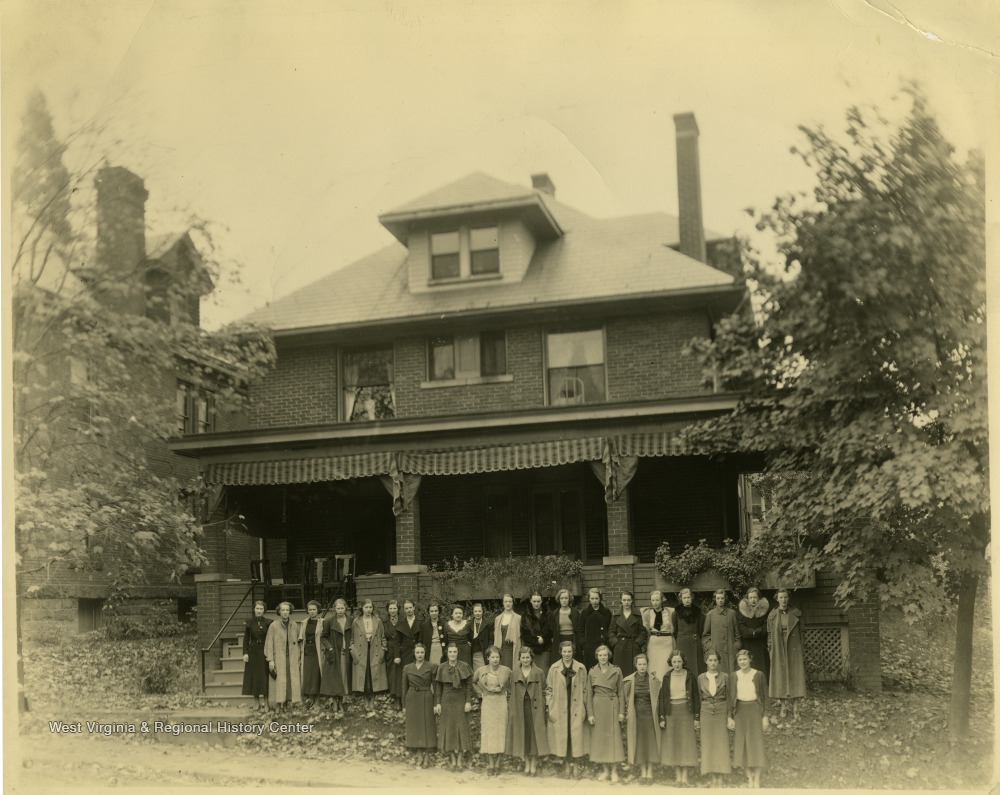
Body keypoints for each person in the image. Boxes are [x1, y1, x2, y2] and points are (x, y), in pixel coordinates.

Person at [545, 640, 590, 778]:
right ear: (560, 652)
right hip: (560, 707)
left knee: (574, 737)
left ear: (573, 652)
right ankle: (565, 765)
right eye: (564, 651)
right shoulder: (554, 668)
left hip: (575, 707)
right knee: (563, 736)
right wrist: (550, 706)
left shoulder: (581, 668)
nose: (567, 654)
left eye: (569, 651)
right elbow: (549, 689)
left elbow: (585, 690)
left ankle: (575, 766)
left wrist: (584, 707)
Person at [657, 649, 699, 786]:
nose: (676, 664)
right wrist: (662, 718)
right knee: (674, 743)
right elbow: (663, 698)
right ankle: (677, 778)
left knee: (686, 744)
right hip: (671, 712)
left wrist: (696, 717)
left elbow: (695, 697)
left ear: (683, 662)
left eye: (679, 661)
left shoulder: (690, 675)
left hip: (686, 711)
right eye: (674, 661)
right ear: (671, 662)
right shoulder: (667, 676)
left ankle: (685, 778)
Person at [728, 648, 768, 788]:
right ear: (737, 662)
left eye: (745, 659)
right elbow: (730, 698)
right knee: (743, 745)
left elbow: (765, 697)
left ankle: (757, 779)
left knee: (756, 745)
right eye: (740, 660)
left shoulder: (759, 675)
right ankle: (749, 778)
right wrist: (730, 717)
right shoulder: (733, 676)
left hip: (755, 711)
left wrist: (765, 716)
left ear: (750, 659)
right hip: (740, 711)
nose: (743, 662)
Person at [506, 646, 549, 776]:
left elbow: (544, 690)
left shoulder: (539, 672)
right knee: (523, 735)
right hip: (520, 709)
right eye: (523, 657)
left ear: (531, 658)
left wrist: (544, 705)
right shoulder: (514, 674)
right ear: (519, 659)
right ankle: (526, 764)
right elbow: (509, 692)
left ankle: (534, 765)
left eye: (527, 657)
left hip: (534, 708)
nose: (525, 660)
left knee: (533, 736)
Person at [586, 644, 626, 783]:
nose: (602, 658)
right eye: (600, 655)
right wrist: (590, 714)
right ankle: (605, 771)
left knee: (613, 740)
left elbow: (621, 692)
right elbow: (588, 695)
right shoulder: (592, 672)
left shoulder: (616, 670)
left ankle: (614, 772)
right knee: (601, 740)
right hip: (598, 707)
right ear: (597, 656)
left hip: (612, 706)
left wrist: (622, 712)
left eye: (605, 655)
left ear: (609, 656)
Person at [472, 645, 512, 776]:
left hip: (501, 702)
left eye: (497, 657)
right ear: (487, 658)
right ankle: (490, 763)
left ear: (500, 658)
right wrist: (481, 693)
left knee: (501, 732)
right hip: (488, 702)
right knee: (489, 732)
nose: (495, 659)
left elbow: (513, 684)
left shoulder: (506, 670)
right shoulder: (481, 670)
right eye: (492, 657)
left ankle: (498, 763)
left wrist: (508, 694)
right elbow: (472, 683)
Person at [434, 642, 474, 770]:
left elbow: (469, 686)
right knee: (449, 730)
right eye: (450, 652)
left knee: (461, 729)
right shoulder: (441, 667)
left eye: (454, 652)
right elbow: (438, 688)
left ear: (458, 653)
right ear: (447, 653)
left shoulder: (465, 666)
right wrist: (438, 703)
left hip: (460, 700)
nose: (452, 654)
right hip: (446, 700)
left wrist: (468, 701)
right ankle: (452, 760)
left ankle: (460, 760)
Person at [767, 588, 806, 719]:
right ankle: (783, 707)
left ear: (788, 599)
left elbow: (802, 633)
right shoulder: (772, 616)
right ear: (777, 599)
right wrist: (771, 649)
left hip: (794, 648)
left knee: (796, 676)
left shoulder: (796, 614)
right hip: (778, 648)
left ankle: (796, 708)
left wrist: (802, 648)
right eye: (781, 597)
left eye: (785, 597)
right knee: (780, 676)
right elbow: (769, 635)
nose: (783, 600)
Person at [623, 652, 661, 786]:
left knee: (650, 743)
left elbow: (658, 699)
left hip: (650, 716)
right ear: (636, 665)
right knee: (639, 744)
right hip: (636, 716)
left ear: (647, 665)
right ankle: (642, 772)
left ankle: (649, 773)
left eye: (644, 664)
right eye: (640, 664)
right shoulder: (629, 680)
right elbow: (625, 698)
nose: (642, 667)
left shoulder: (654, 680)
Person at [698, 650, 732, 787]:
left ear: (719, 662)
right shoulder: (701, 678)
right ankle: (712, 775)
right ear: (706, 661)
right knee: (708, 744)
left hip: (721, 710)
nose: (712, 663)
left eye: (715, 660)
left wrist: (729, 716)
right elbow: (699, 698)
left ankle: (721, 776)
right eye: (710, 660)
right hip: (706, 712)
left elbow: (730, 698)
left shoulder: (725, 677)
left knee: (721, 744)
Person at [401, 641, 437, 768]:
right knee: (415, 728)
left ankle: (427, 757)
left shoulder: (432, 666)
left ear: (425, 653)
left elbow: (436, 688)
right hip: (412, 699)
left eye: (422, 652)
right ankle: (419, 756)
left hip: (426, 697)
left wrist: (436, 703)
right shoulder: (407, 668)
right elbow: (404, 688)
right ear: (414, 653)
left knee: (427, 727)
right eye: (417, 652)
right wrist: (404, 706)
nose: (420, 655)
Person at [350, 598, 388, 716]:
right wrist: (353, 651)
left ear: (373, 608)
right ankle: (365, 703)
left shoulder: (377, 621)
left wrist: (383, 650)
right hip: (361, 653)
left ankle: (372, 703)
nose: (368, 609)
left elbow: (383, 638)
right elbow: (351, 639)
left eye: (370, 607)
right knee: (364, 678)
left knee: (373, 679)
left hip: (374, 652)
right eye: (366, 607)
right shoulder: (356, 621)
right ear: (362, 608)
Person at [264, 601, 302, 712]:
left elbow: (299, 643)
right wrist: (270, 659)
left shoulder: (294, 625)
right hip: (279, 658)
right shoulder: (273, 625)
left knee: (289, 681)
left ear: (290, 611)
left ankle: (286, 704)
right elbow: (269, 643)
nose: (285, 612)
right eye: (283, 610)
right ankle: (278, 704)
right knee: (279, 682)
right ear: (279, 611)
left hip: (291, 658)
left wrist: (298, 657)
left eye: (287, 610)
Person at [320, 597, 352, 718]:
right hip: (334, 654)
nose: (340, 610)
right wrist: (330, 648)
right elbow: (323, 637)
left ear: (345, 608)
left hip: (346, 653)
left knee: (344, 678)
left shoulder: (351, 620)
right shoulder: (328, 621)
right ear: (334, 609)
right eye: (338, 608)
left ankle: (342, 701)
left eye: (342, 608)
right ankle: (334, 702)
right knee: (335, 678)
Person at [609, 591, 648, 678]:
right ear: (621, 601)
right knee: (620, 673)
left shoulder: (637, 615)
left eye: (628, 600)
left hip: (633, 647)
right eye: (624, 600)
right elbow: (611, 632)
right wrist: (616, 643)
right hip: (620, 648)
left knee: (633, 673)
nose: (626, 602)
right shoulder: (616, 615)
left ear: (632, 601)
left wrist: (637, 643)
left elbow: (643, 632)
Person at [241, 600, 271, 710]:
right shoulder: (249, 622)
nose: (259, 611)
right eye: (257, 608)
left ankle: (266, 702)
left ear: (264, 610)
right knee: (254, 677)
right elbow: (245, 639)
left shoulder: (269, 622)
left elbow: (271, 639)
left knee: (264, 676)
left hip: (264, 651)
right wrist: (245, 653)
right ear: (254, 609)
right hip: (253, 652)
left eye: (261, 609)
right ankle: (256, 702)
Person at [703, 588, 741, 673]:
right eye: (718, 598)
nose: (720, 600)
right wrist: (711, 647)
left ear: (725, 599)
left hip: (731, 651)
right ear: (715, 599)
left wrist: (736, 646)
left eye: (722, 598)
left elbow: (737, 633)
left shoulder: (732, 613)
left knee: (732, 675)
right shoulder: (710, 614)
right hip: (716, 651)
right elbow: (706, 635)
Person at [737, 587, 770, 683]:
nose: (753, 600)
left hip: (761, 644)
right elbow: (741, 627)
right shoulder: (741, 611)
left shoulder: (765, 611)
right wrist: (752, 632)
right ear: (747, 599)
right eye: (750, 598)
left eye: (755, 597)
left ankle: (763, 687)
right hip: (747, 644)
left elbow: (766, 626)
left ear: (759, 598)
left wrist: (757, 632)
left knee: (762, 667)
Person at [395, 599, 422, 711]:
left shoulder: (421, 622)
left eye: (410, 607)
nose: (409, 610)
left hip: (418, 654)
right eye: (406, 608)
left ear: (414, 608)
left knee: (418, 677)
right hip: (405, 654)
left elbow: (422, 639)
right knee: (405, 678)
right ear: (404, 610)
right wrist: (397, 656)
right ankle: (404, 703)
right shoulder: (400, 624)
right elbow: (396, 642)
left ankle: (417, 703)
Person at [672, 587, 705, 675]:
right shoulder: (676, 613)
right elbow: (675, 631)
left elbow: (701, 629)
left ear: (692, 598)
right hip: (682, 642)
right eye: (684, 598)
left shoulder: (698, 612)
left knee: (696, 667)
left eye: (688, 597)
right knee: (682, 664)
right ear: (681, 599)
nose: (686, 600)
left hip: (694, 641)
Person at [577, 588, 612, 669]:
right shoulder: (585, 612)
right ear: (589, 598)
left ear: (600, 598)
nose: (594, 601)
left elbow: (610, 628)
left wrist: (608, 643)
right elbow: (580, 630)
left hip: (603, 646)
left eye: (597, 598)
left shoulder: (606, 612)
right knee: (591, 668)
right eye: (592, 598)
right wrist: (584, 644)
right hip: (589, 647)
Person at [642, 590, 674, 681]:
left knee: (666, 665)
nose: (655, 603)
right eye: (653, 600)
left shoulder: (669, 612)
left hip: (667, 642)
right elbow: (646, 627)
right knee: (653, 666)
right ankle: (654, 688)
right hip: (653, 643)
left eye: (657, 600)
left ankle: (665, 687)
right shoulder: (647, 613)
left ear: (662, 600)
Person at [520, 591, 552, 674]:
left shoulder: (548, 614)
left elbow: (551, 630)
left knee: (543, 672)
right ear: (530, 601)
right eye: (534, 601)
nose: (536, 604)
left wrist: (543, 639)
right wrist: (536, 640)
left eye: (538, 601)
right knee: (532, 673)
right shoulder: (525, 615)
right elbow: (524, 633)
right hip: (531, 649)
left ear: (541, 601)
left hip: (545, 648)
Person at [299, 600, 324, 707]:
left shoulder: (323, 622)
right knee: (308, 676)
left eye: (314, 609)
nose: (312, 612)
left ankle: (317, 702)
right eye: (310, 610)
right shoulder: (304, 622)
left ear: (318, 610)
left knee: (316, 676)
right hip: (307, 651)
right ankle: (311, 700)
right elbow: (300, 638)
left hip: (317, 650)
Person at [493, 593, 521, 669]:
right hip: (500, 649)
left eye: (510, 602)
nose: (508, 604)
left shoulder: (518, 618)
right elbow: (495, 635)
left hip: (512, 649)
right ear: (503, 603)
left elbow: (520, 636)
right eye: (506, 602)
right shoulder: (498, 619)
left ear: (513, 603)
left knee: (511, 671)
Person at [385, 599, 403, 711]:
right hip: (389, 652)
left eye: (394, 608)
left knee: (400, 675)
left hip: (401, 651)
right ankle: (393, 698)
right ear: (387, 610)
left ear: (398, 609)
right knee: (391, 675)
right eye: (390, 608)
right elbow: (381, 637)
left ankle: (400, 699)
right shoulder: (384, 623)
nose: (392, 611)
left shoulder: (403, 622)